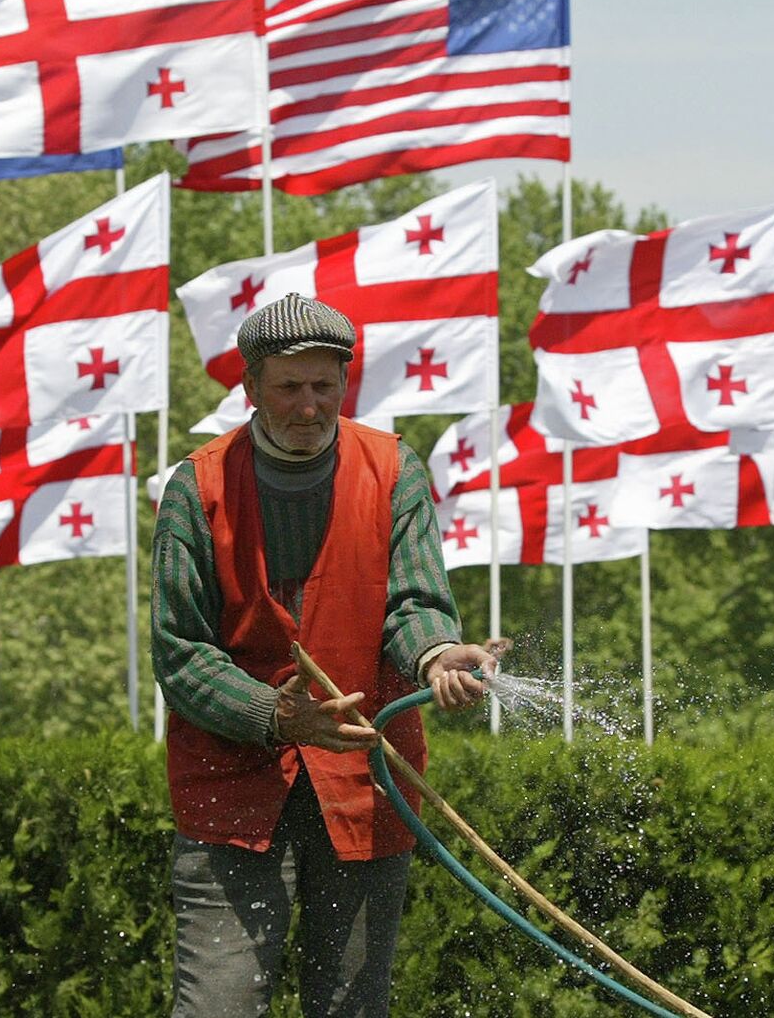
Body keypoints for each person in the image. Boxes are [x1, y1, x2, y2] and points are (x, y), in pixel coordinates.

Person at [152, 293, 509, 1018]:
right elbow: (180, 654)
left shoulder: (394, 470)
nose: (309, 405)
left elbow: (414, 604)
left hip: (365, 784)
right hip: (231, 791)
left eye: (324, 385)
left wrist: (437, 658)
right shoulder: (197, 487)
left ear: (345, 384)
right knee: (217, 1007)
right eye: (289, 387)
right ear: (250, 389)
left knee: (352, 1007)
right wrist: (273, 716)